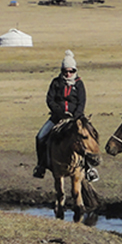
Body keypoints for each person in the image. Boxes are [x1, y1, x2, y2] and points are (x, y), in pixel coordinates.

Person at [33, 50, 99, 182]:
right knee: (40, 137)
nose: (68, 74)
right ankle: (41, 165)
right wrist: (61, 114)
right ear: (62, 71)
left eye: (71, 71)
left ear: (75, 71)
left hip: (77, 118)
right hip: (58, 117)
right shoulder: (56, 83)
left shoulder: (79, 84)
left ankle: (89, 168)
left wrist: (76, 116)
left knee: (89, 136)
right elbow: (50, 100)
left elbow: (82, 101)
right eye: (65, 71)